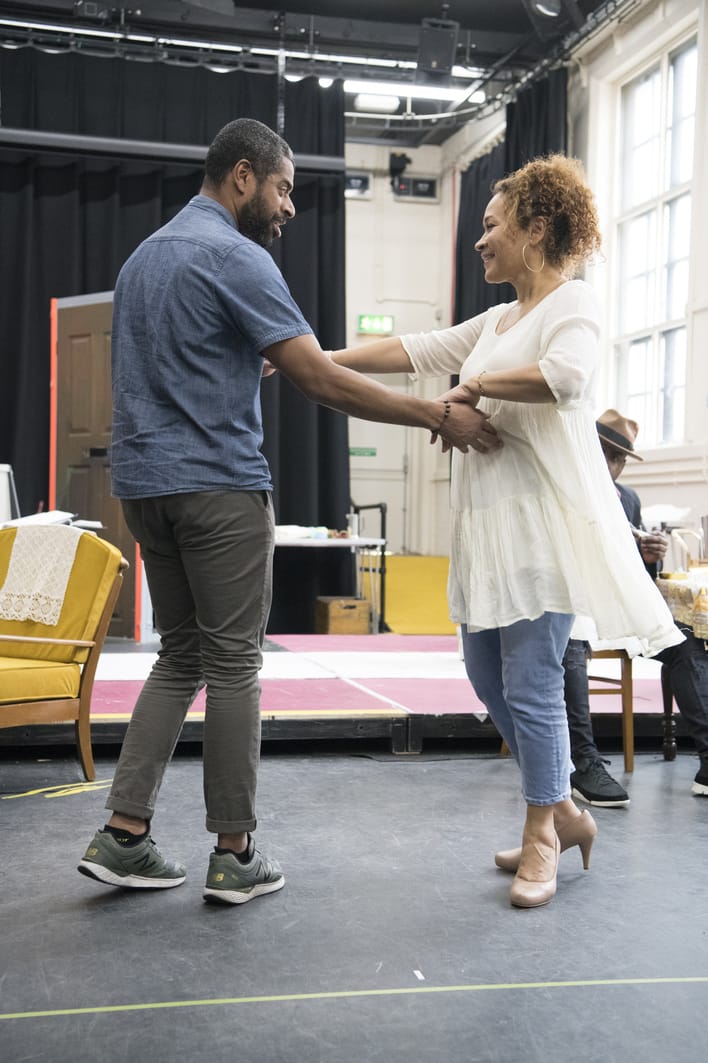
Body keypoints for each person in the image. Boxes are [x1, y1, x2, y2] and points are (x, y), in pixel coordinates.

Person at [77, 118, 496, 904]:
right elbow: (321, 382)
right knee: (235, 662)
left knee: (182, 655)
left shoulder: (141, 260)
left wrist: (248, 365)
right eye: (283, 189)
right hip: (218, 490)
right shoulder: (237, 257)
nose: (289, 208)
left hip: (144, 490)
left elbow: (188, 365)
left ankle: (124, 832)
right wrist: (437, 416)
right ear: (242, 176)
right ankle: (234, 853)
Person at [329, 154, 683, 909]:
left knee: (530, 686)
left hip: (539, 532)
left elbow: (569, 379)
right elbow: (411, 351)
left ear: (535, 228)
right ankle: (561, 809)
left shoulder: (572, 303)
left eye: (491, 227)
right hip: (485, 533)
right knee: (488, 681)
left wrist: (479, 383)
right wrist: (314, 360)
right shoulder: (496, 320)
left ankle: (541, 839)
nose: (481, 242)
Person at [563, 409, 708, 806]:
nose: (613, 466)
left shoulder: (627, 499)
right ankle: (582, 760)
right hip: (574, 605)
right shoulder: (561, 487)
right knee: (570, 642)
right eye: (606, 454)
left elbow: (638, 575)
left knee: (686, 641)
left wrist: (649, 557)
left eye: (620, 458)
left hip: (617, 608)